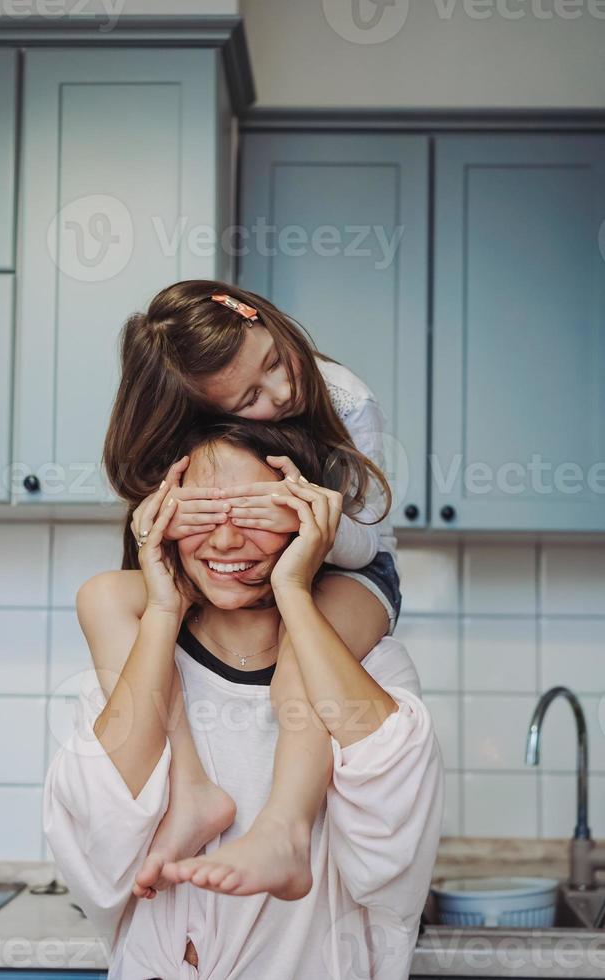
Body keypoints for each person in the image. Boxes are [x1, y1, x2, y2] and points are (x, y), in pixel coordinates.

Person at [43, 419, 443, 980]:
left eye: (256, 514)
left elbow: (394, 854)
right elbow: (97, 854)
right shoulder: (134, 667)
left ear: (309, 521)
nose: (227, 541)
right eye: (202, 514)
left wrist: (294, 589)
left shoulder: (368, 667)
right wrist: (161, 608)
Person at [100, 281, 405, 888]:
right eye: (250, 399)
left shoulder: (344, 396)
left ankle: (284, 832)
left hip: (352, 565)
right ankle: (191, 791)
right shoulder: (194, 420)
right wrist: (162, 514)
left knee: (305, 654)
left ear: (257, 315)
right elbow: (159, 500)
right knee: (104, 600)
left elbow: (369, 533)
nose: (285, 391)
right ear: (212, 413)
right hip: (252, 571)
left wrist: (308, 521)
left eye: (274, 362)